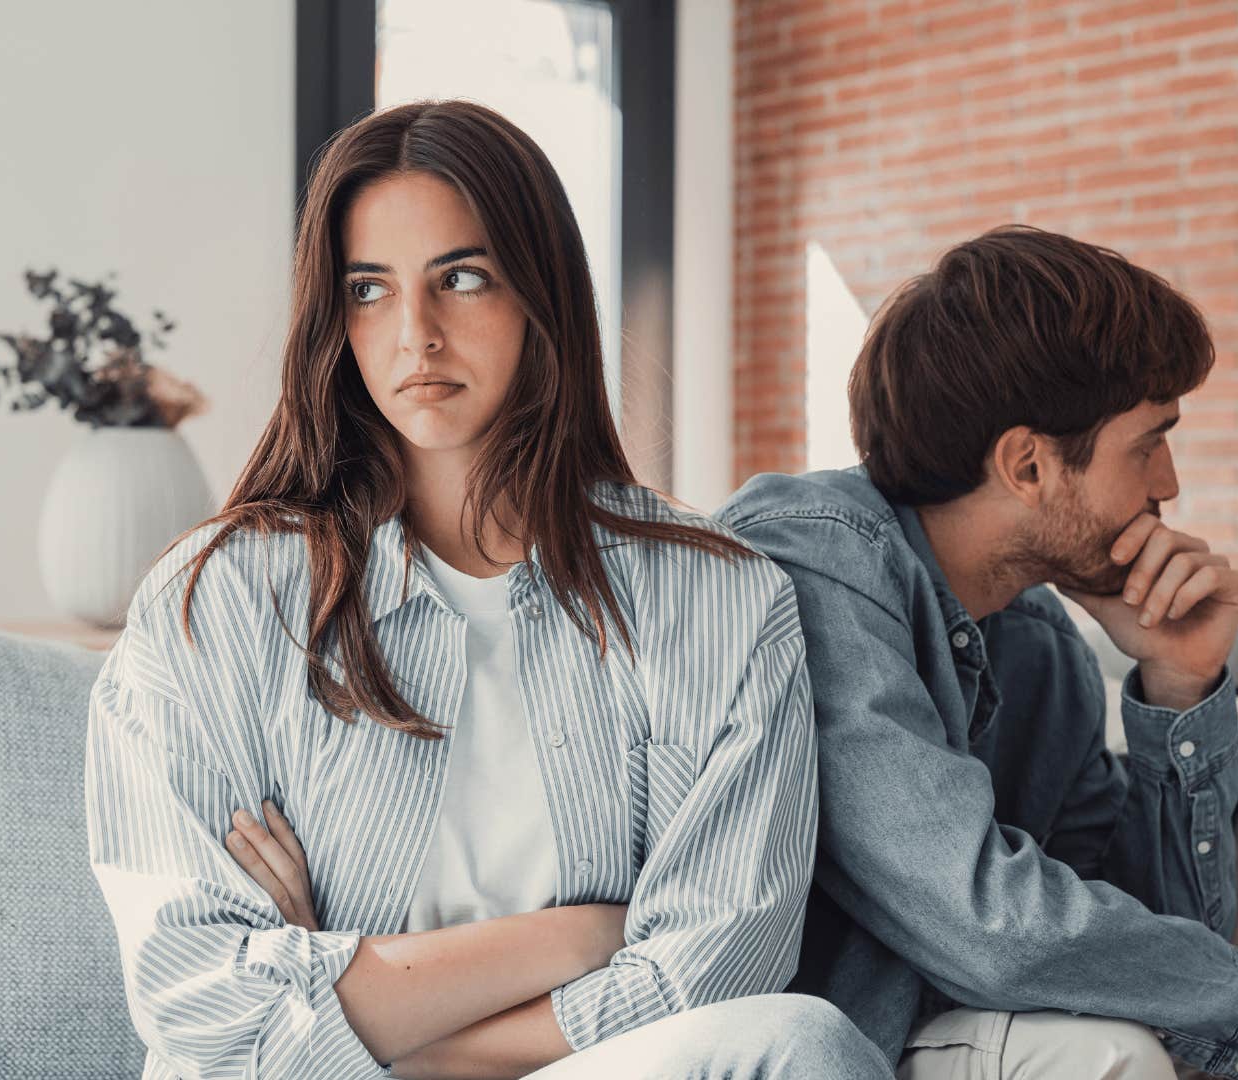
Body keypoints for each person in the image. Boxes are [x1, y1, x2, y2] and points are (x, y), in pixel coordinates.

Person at [84, 100, 890, 1080]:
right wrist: (587, 934)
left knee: (797, 1045)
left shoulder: (717, 600)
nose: (414, 333)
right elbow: (203, 1008)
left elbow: (714, 975)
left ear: (538, 294)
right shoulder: (216, 601)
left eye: (461, 279)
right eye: (370, 290)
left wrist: (367, 1012)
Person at [717, 226, 1238, 1080]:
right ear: (1027, 465)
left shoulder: (1042, 647)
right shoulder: (815, 563)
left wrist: (1176, 683)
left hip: (925, 1031)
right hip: (783, 1045)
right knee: (1108, 1059)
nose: (1169, 484)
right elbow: (987, 921)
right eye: (1148, 444)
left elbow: (1145, 950)